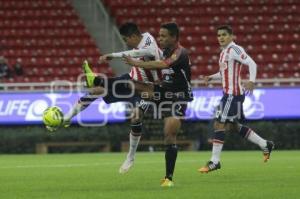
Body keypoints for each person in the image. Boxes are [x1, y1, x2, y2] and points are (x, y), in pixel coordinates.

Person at [48, 22, 162, 173]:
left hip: (147, 87)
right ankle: (67, 117)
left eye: (125, 39)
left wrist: (112, 55)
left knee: (136, 117)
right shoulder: (146, 36)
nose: (125, 42)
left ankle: (130, 157)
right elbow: (134, 53)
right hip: (131, 80)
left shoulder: (148, 46)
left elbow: (134, 54)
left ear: (134, 36)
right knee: (96, 91)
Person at [121, 22, 193, 187]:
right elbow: (162, 72)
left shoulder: (180, 52)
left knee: (169, 134)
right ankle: (100, 85)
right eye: (159, 36)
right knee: (135, 110)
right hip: (162, 92)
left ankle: (168, 178)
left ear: (174, 37)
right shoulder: (164, 52)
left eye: (163, 36)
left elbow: (163, 65)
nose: (159, 38)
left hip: (178, 97)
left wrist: (136, 63)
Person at [198, 25, 274, 173]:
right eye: (219, 35)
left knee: (219, 124)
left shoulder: (235, 49)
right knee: (233, 126)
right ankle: (265, 144)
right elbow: (224, 73)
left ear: (232, 36)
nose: (221, 37)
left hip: (233, 95)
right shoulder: (223, 53)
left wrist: (251, 81)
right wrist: (211, 77)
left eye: (224, 35)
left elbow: (252, 63)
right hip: (228, 94)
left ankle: (214, 161)